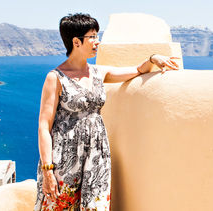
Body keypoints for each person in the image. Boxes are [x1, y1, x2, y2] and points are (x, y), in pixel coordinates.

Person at [34, 13, 179, 211]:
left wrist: (153, 58)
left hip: (96, 155)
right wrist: (47, 169)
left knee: (95, 206)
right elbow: (44, 126)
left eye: (97, 35)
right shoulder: (55, 78)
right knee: (60, 206)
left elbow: (138, 69)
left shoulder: (98, 73)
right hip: (65, 158)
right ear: (76, 41)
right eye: (92, 36)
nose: (97, 41)